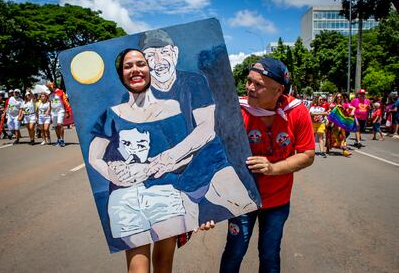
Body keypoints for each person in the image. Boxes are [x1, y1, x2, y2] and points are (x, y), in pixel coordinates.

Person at [89, 49, 215, 273]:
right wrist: (111, 173)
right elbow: (94, 157)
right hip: (124, 198)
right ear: (121, 74)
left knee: (164, 264)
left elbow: (189, 155)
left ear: (149, 69)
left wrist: (198, 207)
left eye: (140, 64)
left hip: (165, 192)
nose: (135, 70)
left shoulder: (173, 107)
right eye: (128, 66)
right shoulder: (111, 114)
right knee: (137, 267)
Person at [140, 29, 257, 217]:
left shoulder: (193, 81)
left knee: (241, 203)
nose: (159, 61)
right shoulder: (136, 96)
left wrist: (170, 157)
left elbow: (207, 128)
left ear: (175, 53)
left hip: (206, 163)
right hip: (163, 177)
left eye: (164, 52)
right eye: (151, 55)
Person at [220, 58, 315, 272]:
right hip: (242, 199)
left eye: (259, 85)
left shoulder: (297, 111)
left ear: (278, 90)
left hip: (278, 201)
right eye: (248, 81)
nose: (250, 88)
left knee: (270, 254)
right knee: (234, 252)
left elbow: (307, 155)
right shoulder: (237, 111)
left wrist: (273, 168)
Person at [47, 81, 71, 147]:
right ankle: (59, 139)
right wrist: (48, 111)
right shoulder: (50, 95)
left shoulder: (60, 92)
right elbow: (50, 104)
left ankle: (62, 140)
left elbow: (66, 102)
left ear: (53, 86)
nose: (49, 88)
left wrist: (68, 111)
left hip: (60, 111)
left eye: (49, 87)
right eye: (48, 87)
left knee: (59, 124)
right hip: (53, 112)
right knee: (55, 127)